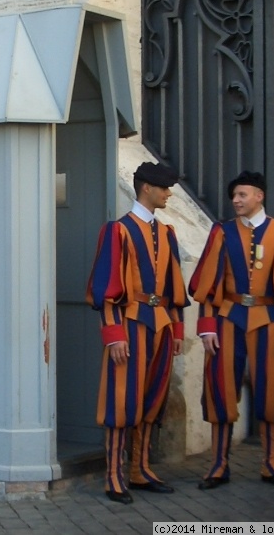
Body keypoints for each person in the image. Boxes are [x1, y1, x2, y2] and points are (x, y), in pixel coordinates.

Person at [189, 170, 274, 490]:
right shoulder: (222, 232)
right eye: (234, 195)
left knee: (273, 392)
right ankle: (219, 464)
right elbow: (208, 285)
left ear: (259, 196)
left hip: (269, 319)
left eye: (242, 195)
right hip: (228, 319)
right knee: (221, 389)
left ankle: (271, 463)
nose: (236, 200)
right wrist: (206, 327)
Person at [86, 161, 190, 504]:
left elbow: (175, 287)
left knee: (151, 400)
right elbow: (105, 287)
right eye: (164, 188)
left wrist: (177, 330)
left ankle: (139, 470)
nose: (168, 193)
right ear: (147, 187)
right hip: (129, 324)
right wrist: (113, 333)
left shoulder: (168, 233)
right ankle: (114, 475)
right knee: (121, 401)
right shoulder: (118, 231)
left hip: (160, 324)